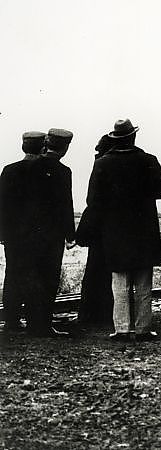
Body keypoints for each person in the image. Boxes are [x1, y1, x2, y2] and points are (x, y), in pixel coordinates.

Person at [86, 119, 161, 342]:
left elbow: (92, 199)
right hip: (144, 232)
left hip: (115, 233)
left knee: (119, 283)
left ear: (115, 139)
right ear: (133, 137)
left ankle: (121, 329)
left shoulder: (103, 163)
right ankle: (143, 329)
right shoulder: (148, 160)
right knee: (143, 284)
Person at [27, 128, 77, 336]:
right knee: (49, 279)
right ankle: (44, 325)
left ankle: (32, 324)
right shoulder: (63, 171)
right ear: (65, 148)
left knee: (33, 277)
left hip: (29, 233)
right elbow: (66, 205)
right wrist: (70, 235)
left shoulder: (27, 167)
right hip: (52, 235)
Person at [0, 131, 46, 332]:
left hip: (13, 235)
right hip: (38, 234)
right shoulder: (45, 171)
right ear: (43, 147)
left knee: (13, 274)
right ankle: (35, 320)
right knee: (36, 276)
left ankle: (11, 319)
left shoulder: (9, 170)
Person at [75, 135, 116, 325]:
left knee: (94, 271)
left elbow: (92, 200)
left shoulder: (99, 163)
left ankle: (89, 314)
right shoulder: (108, 164)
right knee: (107, 273)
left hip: (98, 228)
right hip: (110, 228)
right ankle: (104, 314)